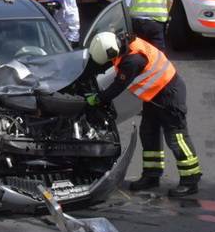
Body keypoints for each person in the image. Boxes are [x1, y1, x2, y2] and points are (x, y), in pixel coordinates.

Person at [86, 31, 201, 197]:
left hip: (169, 96)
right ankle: (151, 176)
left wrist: (98, 98)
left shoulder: (133, 60)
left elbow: (118, 86)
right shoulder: (120, 43)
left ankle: (191, 180)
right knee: (148, 132)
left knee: (177, 137)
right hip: (155, 96)